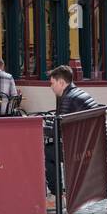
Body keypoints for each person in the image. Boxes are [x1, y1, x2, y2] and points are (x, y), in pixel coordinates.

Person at [44, 64, 100, 197]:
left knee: (46, 153)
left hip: (82, 149)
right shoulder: (77, 93)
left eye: (52, 83)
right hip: (92, 144)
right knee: (51, 149)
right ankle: (58, 192)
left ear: (61, 82)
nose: (51, 87)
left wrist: (39, 128)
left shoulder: (68, 98)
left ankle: (57, 194)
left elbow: (57, 130)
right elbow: (61, 122)